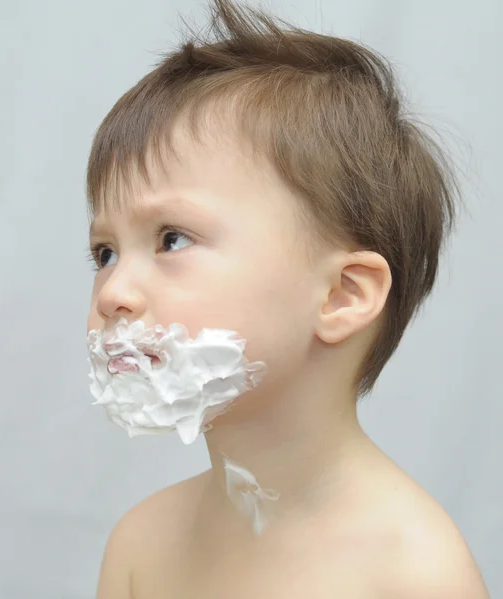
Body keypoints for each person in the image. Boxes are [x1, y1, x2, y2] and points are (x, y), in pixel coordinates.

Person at [85, 0, 490, 597]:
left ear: (341, 295)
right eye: (104, 253)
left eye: (172, 239)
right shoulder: (141, 543)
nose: (113, 292)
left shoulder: (414, 573)